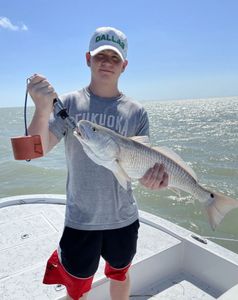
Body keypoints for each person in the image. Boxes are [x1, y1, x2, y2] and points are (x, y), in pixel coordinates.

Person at [28, 26, 168, 300]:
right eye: (100, 55)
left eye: (114, 58)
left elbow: (141, 166)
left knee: (121, 274)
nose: (107, 62)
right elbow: (35, 151)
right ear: (87, 59)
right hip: (81, 220)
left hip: (123, 218)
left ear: (124, 65)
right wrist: (42, 108)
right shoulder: (68, 102)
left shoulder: (136, 111)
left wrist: (154, 180)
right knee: (77, 289)